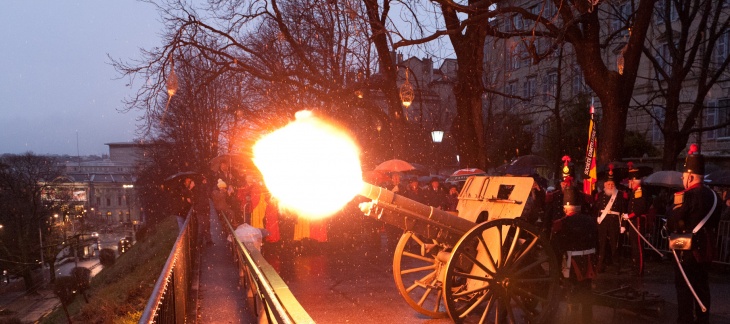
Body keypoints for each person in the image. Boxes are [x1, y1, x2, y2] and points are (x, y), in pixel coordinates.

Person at [667, 144, 721, 324]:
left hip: (687, 248)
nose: (683, 180)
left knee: (684, 287)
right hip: (705, 247)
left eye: (684, 176)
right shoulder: (715, 196)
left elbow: (674, 220)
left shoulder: (686, 195)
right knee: (701, 285)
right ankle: (703, 319)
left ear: (690, 176)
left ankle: (685, 319)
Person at [551, 187, 597, 324]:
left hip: (571, 263)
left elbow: (557, 248)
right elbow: (596, 242)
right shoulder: (589, 220)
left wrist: (557, 268)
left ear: (566, 207)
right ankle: (587, 319)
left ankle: (572, 319)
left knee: (572, 291)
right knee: (586, 291)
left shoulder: (562, 223)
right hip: (588, 261)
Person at [593, 165, 627, 273]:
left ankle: (616, 266)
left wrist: (623, 225)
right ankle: (600, 265)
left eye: (612, 184)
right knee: (601, 245)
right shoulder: (600, 195)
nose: (610, 185)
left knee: (614, 245)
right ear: (605, 184)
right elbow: (596, 209)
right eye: (608, 184)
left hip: (614, 222)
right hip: (603, 222)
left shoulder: (620, 195)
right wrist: (597, 219)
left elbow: (623, 211)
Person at [622, 162, 647, 276]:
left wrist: (630, 216)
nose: (629, 183)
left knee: (638, 247)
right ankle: (635, 266)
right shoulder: (634, 192)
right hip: (633, 222)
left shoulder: (639, 191)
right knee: (634, 245)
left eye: (630, 181)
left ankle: (639, 269)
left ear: (633, 181)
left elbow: (639, 208)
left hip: (637, 221)